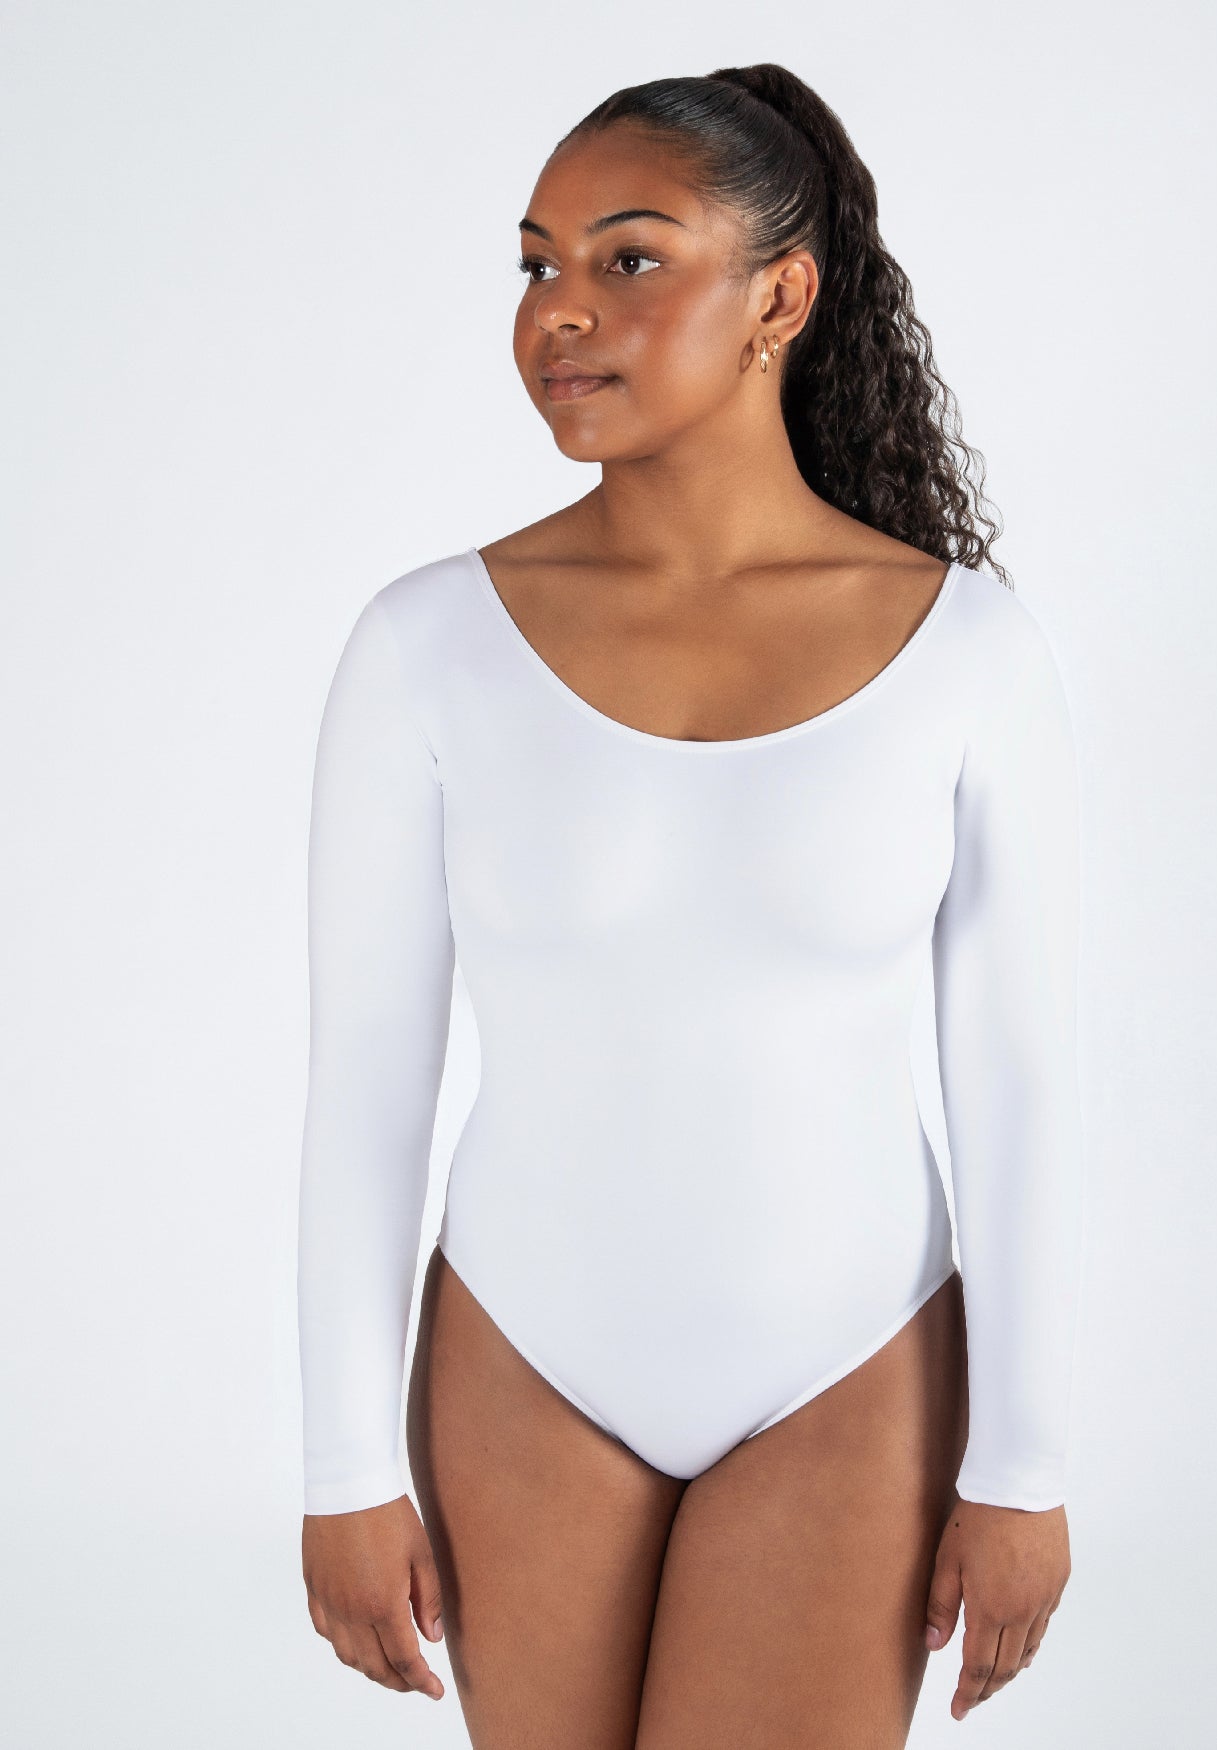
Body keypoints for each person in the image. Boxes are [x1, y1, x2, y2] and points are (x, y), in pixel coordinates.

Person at [296, 63, 1085, 1749]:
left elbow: (1019, 1081)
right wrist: (343, 1466)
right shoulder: (425, 644)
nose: (560, 311)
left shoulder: (967, 652)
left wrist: (1025, 1464)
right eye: (537, 263)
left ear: (781, 298)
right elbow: (367, 1080)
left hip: (850, 1366)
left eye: (630, 259)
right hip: (521, 1355)